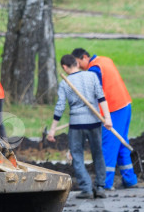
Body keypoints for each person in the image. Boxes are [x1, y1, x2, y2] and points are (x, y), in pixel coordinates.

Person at [47, 54, 113, 199]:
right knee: (98, 153)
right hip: (95, 122)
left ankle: (87, 189)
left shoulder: (65, 82)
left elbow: (60, 107)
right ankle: (100, 187)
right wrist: (107, 118)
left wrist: (53, 129)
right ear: (77, 63)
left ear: (64, 67)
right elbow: (101, 98)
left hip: (76, 125)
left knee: (77, 156)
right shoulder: (92, 76)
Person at [72, 47, 138, 189]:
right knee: (121, 143)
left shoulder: (94, 70)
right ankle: (130, 179)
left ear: (84, 57)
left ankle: (105, 183)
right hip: (125, 104)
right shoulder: (104, 60)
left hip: (114, 109)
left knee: (107, 146)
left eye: (78, 63)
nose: (78, 67)